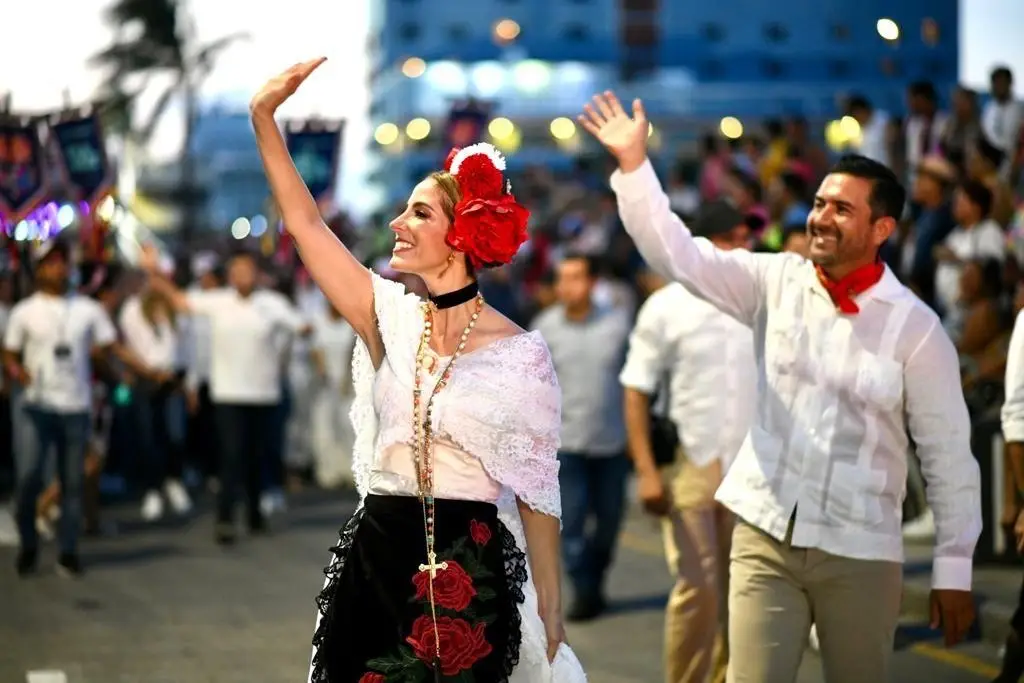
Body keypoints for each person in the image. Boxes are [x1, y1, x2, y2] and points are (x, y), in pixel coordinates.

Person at [579, 91, 981, 683]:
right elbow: (678, 254)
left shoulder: (915, 328)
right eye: (819, 203)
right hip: (764, 533)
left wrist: (953, 569)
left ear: (882, 228)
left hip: (861, 549)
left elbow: (949, 455)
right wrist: (635, 166)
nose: (820, 217)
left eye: (842, 209)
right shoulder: (774, 279)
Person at [249, 58, 586, 683]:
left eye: (419, 214)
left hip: (472, 568)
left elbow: (538, 492)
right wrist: (263, 118)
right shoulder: (390, 317)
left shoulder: (521, 353)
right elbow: (305, 224)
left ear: (464, 235)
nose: (396, 224)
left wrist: (550, 604)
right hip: (376, 556)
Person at [620, 200, 757, 683]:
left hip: (752, 468)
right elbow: (635, 390)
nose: (747, 246)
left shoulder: (758, 300)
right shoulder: (667, 306)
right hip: (690, 465)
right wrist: (647, 471)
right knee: (697, 587)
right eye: (738, 237)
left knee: (747, 590)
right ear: (712, 242)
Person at [140, 249, 311, 544]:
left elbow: (300, 326)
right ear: (231, 275)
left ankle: (255, 514)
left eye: (247, 270)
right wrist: (155, 273)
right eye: (236, 271)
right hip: (229, 394)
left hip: (264, 393)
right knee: (232, 455)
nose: (242, 276)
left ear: (257, 274)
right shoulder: (219, 301)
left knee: (257, 456)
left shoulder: (272, 304)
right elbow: (180, 302)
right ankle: (225, 518)